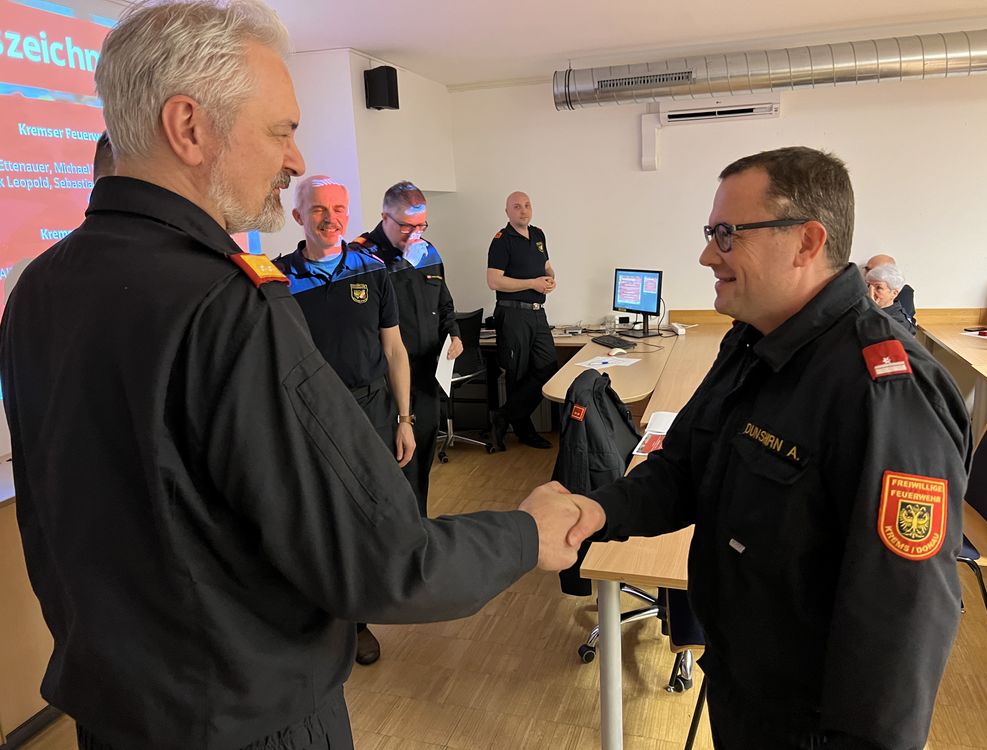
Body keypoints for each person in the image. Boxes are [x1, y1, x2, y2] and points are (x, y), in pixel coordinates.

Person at [0, 2, 605, 749]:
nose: (294, 159)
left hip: (115, 715)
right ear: (189, 127)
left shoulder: (37, 287)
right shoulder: (228, 304)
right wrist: (524, 532)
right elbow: (384, 559)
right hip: (247, 719)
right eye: (281, 130)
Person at [548, 146, 971, 749]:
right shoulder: (751, 342)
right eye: (710, 234)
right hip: (740, 680)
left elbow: (902, 625)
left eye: (726, 234)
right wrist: (596, 510)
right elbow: (684, 466)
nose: (706, 255)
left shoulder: (883, 392)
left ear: (806, 242)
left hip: (809, 725)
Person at [273, 176, 416, 666]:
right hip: (309, 416)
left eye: (338, 209)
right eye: (318, 209)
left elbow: (394, 350)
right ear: (298, 216)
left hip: (371, 410)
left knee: (366, 515)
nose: (329, 218)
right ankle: (321, 619)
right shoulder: (276, 281)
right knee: (318, 518)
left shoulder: (373, 271)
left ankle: (359, 621)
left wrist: (405, 418)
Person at [353, 182, 461, 515]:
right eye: (406, 226)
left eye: (421, 226)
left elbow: (444, 303)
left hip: (426, 379)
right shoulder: (361, 257)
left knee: (421, 464)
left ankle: (419, 529)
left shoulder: (428, 252)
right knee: (391, 470)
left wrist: (454, 335)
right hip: (384, 386)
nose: (414, 234)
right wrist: (400, 262)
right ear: (384, 217)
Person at [487, 191, 559, 450]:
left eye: (527, 205)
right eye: (517, 206)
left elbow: (546, 265)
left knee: (548, 366)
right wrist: (532, 283)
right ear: (507, 211)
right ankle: (523, 430)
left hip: (538, 312)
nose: (523, 210)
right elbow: (494, 281)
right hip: (513, 314)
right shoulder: (502, 240)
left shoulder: (538, 235)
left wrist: (550, 278)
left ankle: (503, 416)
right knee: (517, 374)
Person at [863, 253, 916, 325]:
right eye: (867, 269)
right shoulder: (861, 289)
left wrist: (873, 311)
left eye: (878, 287)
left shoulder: (898, 321)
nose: (871, 292)